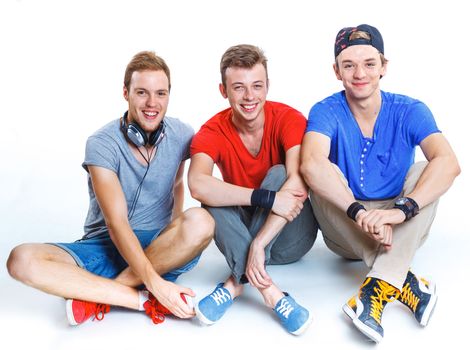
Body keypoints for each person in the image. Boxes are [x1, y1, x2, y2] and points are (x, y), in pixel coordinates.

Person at [6, 51, 214, 326]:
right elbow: (117, 225)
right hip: (105, 245)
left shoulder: (181, 134)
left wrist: (176, 238)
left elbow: (178, 184)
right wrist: (158, 285)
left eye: (160, 93)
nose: (152, 103)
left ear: (168, 96)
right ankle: (140, 299)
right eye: (142, 92)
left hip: (158, 249)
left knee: (201, 221)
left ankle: (96, 293)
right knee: (21, 260)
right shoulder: (102, 143)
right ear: (125, 93)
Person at [300, 24, 460, 343]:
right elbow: (312, 163)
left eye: (369, 64)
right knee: (320, 172)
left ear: (383, 67)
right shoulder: (325, 110)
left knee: (424, 169)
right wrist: (359, 212)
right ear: (336, 71)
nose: (360, 73)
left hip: (399, 224)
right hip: (346, 228)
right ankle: (404, 280)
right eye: (349, 65)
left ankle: (376, 288)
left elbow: (449, 163)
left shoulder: (410, 109)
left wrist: (401, 211)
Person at [188, 44, 318, 335]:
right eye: (239, 87)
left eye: (257, 86)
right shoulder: (211, 131)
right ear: (224, 90)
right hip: (240, 235)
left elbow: (298, 181)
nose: (249, 97)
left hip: (290, 237)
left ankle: (234, 284)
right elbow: (197, 183)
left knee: (281, 173)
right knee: (210, 197)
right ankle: (271, 292)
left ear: (267, 86)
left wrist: (259, 243)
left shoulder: (289, 119)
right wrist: (265, 198)